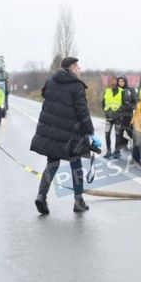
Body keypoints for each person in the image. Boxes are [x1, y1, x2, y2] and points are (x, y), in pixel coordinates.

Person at [30, 57, 94, 214]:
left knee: (52, 164)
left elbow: (45, 95)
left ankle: (41, 196)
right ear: (71, 68)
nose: (79, 70)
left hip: (51, 132)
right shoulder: (76, 86)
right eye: (77, 67)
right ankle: (78, 201)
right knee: (76, 164)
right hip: (70, 134)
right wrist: (90, 131)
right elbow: (82, 111)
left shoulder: (51, 81)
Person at [102, 76, 137, 159]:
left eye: (122, 81)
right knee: (110, 134)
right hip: (110, 117)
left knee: (125, 132)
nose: (120, 83)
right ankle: (111, 150)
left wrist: (124, 109)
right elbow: (104, 102)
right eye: (119, 81)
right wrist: (105, 110)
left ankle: (134, 146)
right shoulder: (108, 91)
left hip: (124, 116)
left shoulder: (127, 91)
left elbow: (130, 103)